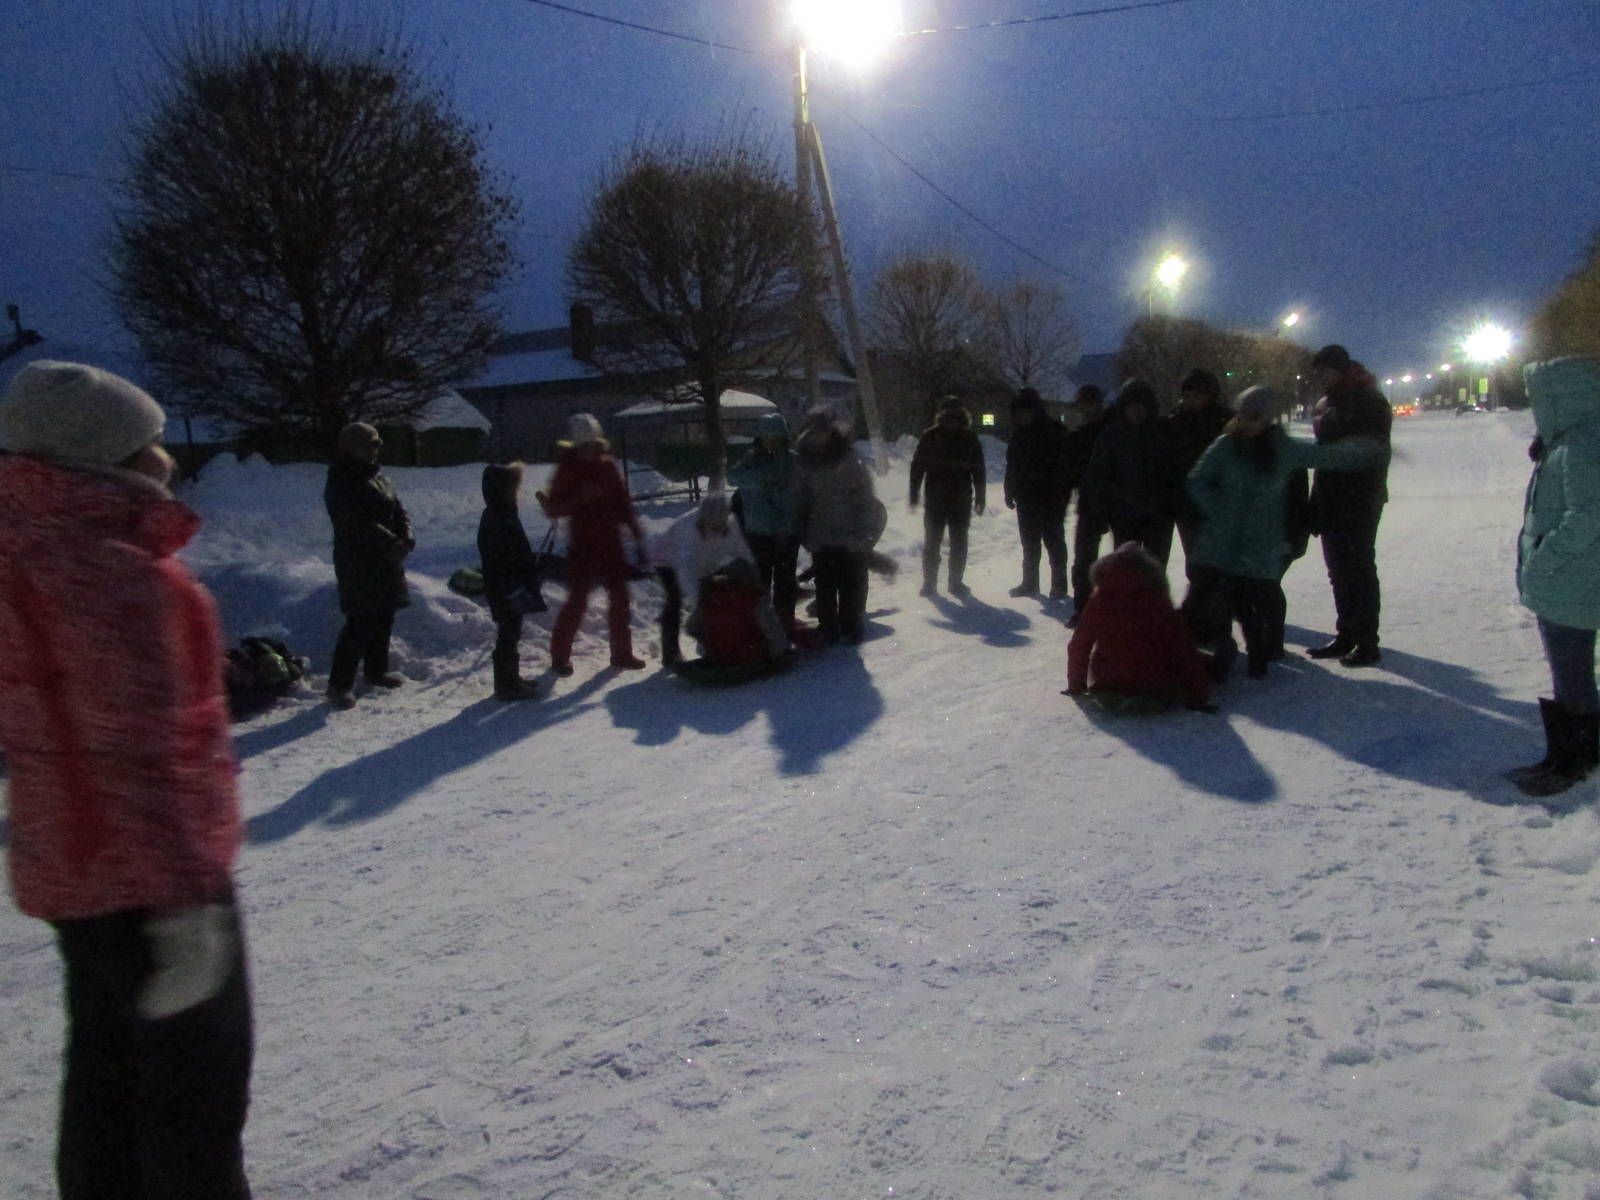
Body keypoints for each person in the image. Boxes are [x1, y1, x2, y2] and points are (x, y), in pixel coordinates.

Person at [0, 360, 254, 1199]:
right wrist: (184, 901)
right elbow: (139, 748)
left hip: (74, 876)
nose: (165, 456)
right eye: (147, 440)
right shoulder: (109, 569)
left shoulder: (24, 550)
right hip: (156, 880)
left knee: (106, 1088)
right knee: (193, 1108)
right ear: (109, 458)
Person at [1182, 386, 1387, 680]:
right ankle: (1214, 651)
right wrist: (1219, 510)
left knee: (1263, 597)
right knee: (1212, 597)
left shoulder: (1281, 448)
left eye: (1254, 417)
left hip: (1262, 540)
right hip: (1222, 540)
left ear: (1267, 419)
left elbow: (1325, 456)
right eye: (1242, 416)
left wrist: (1365, 451)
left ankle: (1268, 649)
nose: (1246, 423)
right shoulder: (1226, 445)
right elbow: (1198, 480)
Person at [1507, 356, 1600, 799]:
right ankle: (1566, 756)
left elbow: (1588, 515)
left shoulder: (1581, 444)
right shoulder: (1569, 440)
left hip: (1572, 582)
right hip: (1571, 581)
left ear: (1559, 396)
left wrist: (1544, 558)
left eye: (1537, 397)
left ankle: (1575, 762)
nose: (1533, 406)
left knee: (1573, 677)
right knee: (1570, 675)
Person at [537, 413, 647, 676]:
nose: (588, 450)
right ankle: (559, 657)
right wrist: (579, 499)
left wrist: (637, 534)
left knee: (620, 598)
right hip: (583, 545)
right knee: (577, 601)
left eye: (591, 444)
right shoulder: (567, 468)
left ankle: (621, 653)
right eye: (583, 445)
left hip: (610, 543)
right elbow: (553, 508)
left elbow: (623, 503)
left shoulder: (607, 466)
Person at [1304, 344, 1393, 667]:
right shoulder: (1326, 402)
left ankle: (1368, 641)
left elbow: (1369, 451)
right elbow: (1324, 454)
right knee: (1338, 571)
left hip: (1360, 497)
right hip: (1331, 496)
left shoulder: (1368, 399)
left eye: (1326, 371)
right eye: (1319, 372)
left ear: (1341, 369)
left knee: (1359, 569)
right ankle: (1346, 634)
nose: (1321, 377)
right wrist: (1317, 499)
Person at [324, 420, 414, 709]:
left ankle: (377, 671)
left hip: (386, 559)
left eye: (376, 445)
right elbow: (356, 523)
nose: (375, 451)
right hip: (358, 562)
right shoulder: (341, 480)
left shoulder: (378, 476)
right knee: (360, 621)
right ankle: (339, 685)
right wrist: (392, 542)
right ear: (352, 449)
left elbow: (398, 509)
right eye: (369, 446)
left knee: (384, 615)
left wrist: (406, 535)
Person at [1065, 541, 1211, 711]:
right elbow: (1182, 649)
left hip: (1109, 682)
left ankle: (1121, 695)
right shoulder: (1156, 598)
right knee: (1201, 660)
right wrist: (1198, 695)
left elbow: (1079, 644)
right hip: (1153, 685)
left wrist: (1076, 685)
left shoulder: (1099, 598)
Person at [653, 491, 787, 667]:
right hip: (667, 561)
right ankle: (671, 654)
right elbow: (686, 572)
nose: (717, 529)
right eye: (713, 526)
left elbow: (743, 552)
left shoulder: (730, 524)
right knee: (675, 600)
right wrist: (700, 602)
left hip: (704, 563)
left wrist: (756, 579)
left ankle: (715, 645)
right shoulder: (688, 531)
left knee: (719, 600)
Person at [793, 406, 880, 645]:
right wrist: (804, 532)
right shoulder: (804, 460)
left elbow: (864, 496)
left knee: (851, 581)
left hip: (850, 531)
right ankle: (828, 626)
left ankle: (851, 624)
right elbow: (800, 498)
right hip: (820, 533)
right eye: (815, 430)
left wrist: (865, 531)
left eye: (823, 430)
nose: (819, 435)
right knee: (825, 583)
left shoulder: (848, 457)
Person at [477, 462, 546, 702]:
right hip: (506, 587)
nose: (517, 490)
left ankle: (510, 678)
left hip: (511, 585)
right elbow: (501, 556)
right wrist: (520, 573)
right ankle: (506, 685)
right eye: (513, 486)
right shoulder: (497, 517)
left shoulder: (505, 511)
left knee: (512, 631)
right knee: (508, 633)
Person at [1083, 379, 1171, 565]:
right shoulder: (1111, 436)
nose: (1137, 410)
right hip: (1123, 516)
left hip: (1158, 517)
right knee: (1126, 571)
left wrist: (1170, 503)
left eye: (1142, 405)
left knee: (1154, 572)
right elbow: (1098, 475)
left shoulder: (1162, 433)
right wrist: (1100, 511)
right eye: (1132, 405)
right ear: (1123, 407)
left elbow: (1173, 473)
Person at [727, 411, 800, 630]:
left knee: (785, 580)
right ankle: (762, 625)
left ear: (783, 437)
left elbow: (799, 490)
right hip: (758, 531)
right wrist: (761, 479)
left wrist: (780, 489)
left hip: (786, 531)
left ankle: (785, 622)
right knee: (760, 581)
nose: (770, 440)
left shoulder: (793, 461)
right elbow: (732, 477)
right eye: (766, 435)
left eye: (775, 436)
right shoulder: (751, 459)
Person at [909, 396, 986, 596]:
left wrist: (980, 496)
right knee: (935, 542)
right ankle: (931, 582)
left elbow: (978, 469)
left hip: (957, 499)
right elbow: (918, 466)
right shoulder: (931, 437)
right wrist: (914, 492)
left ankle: (953, 582)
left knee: (954, 542)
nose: (951, 420)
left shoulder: (968, 438)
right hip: (938, 499)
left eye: (955, 416)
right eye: (948, 416)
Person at [1161, 368, 1233, 573]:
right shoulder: (1175, 423)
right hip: (1187, 508)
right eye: (1186, 396)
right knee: (1197, 567)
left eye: (1196, 396)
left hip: (1222, 506)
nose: (1190, 401)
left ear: (1210, 396)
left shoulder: (1226, 423)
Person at [1002, 387, 1070, 598]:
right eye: (1018, 412)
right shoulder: (1018, 436)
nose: (1022, 416)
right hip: (1026, 497)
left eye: (1026, 411)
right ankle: (1030, 583)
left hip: (1050, 497)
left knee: (1054, 542)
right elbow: (1012, 465)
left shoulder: (1055, 431)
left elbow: (1066, 467)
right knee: (1029, 543)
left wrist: (1062, 494)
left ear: (1035, 410)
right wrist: (1009, 490)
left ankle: (1059, 585)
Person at [1062, 384, 1110, 621]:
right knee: (1083, 561)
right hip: (1089, 503)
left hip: (1117, 502)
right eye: (1084, 404)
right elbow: (1069, 474)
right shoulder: (1079, 436)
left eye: (1091, 403)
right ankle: (1083, 609)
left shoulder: (1113, 430)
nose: (1087, 408)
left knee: (1125, 559)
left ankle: (1122, 609)